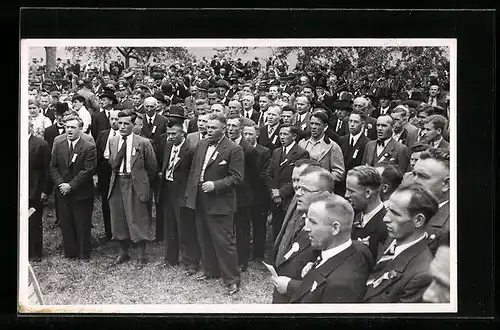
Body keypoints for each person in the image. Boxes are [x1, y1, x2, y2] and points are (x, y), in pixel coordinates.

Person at [184, 113, 244, 295]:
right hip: (200, 199)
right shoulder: (202, 144)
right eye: (207, 127)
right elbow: (195, 171)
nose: (208, 130)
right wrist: (190, 195)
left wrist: (215, 185)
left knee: (224, 241)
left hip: (220, 202)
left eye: (213, 128)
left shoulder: (234, 149)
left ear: (223, 129)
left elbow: (237, 178)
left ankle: (232, 279)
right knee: (204, 237)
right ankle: (211, 271)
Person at [274, 194, 371, 303]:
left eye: (313, 222)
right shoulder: (351, 249)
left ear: (335, 228)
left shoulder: (340, 286)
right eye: (307, 220)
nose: (307, 228)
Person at [364, 182, 438, 303]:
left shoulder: (422, 276)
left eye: (396, 213)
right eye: (388, 210)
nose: (385, 218)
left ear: (418, 220)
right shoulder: (393, 239)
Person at [271, 164, 330, 303]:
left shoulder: (328, 230)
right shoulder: (303, 214)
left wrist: (291, 286)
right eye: (297, 188)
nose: (297, 193)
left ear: (324, 194)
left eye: (305, 190)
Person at [107, 109, 158, 269]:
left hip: (134, 182)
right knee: (118, 217)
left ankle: (141, 255)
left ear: (133, 125)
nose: (121, 126)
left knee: (137, 217)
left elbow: (152, 167)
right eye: (119, 123)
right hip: (118, 181)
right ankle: (124, 252)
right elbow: (112, 162)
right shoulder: (113, 141)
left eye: (126, 124)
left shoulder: (143, 143)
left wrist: (142, 182)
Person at [49, 114, 97, 260]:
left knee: (82, 223)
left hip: (81, 191)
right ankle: (70, 252)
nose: (69, 130)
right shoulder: (59, 143)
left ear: (80, 129)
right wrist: (61, 184)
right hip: (63, 191)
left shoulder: (88, 146)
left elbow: (88, 170)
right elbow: (53, 166)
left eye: (72, 127)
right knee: (66, 223)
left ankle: (84, 253)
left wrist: (71, 185)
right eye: (66, 127)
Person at [157, 121, 199, 274]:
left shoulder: (190, 150)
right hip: (168, 189)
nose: (170, 137)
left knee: (185, 228)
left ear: (183, 133)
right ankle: (170, 259)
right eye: (168, 134)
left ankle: (191, 263)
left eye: (174, 134)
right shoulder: (168, 146)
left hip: (182, 192)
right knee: (170, 226)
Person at [226, 115, 259, 272]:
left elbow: (253, 177)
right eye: (228, 125)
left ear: (241, 129)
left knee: (242, 230)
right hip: (226, 194)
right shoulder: (225, 145)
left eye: (234, 126)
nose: (231, 129)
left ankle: (242, 260)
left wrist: (247, 196)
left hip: (242, 196)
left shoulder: (249, 150)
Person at [269, 124, 310, 241]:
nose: (282, 137)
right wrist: (274, 192)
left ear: (294, 136)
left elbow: (299, 178)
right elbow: (269, 174)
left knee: (287, 233)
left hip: (289, 198)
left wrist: (281, 193)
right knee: (275, 230)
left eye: (285, 134)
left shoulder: (301, 153)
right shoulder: (276, 152)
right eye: (280, 134)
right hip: (275, 198)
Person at [242, 120, 272, 263]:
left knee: (259, 224)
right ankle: (244, 252)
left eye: (250, 134)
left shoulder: (264, 151)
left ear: (257, 135)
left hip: (258, 193)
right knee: (244, 224)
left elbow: (264, 173)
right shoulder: (240, 149)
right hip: (244, 193)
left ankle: (258, 254)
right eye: (245, 134)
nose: (247, 137)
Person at [410, 147, 450, 255]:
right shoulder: (409, 209)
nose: (414, 182)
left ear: (446, 184)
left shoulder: (450, 228)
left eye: (423, 176)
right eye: (414, 175)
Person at [345, 165, 388, 262]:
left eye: (351, 191)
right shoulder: (357, 216)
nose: (346, 195)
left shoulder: (384, 227)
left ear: (368, 193)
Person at [298, 110, 345, 186]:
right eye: (312, 123)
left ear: (325, 126)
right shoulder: (302, 143)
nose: (313, 127)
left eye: (317, 124)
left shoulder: (332, 146)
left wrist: (321, 179)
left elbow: (339, 173)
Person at [96, 109, 120, 241]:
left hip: (118, 171)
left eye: (117, 119)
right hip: (105, 172)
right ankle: (108, 232)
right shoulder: (103, 134)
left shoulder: (123, 135)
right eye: (112, 119)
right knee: (106, 202)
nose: (114, 122)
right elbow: (98, 154)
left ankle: (120, 232)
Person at [28, 118, 51, 261]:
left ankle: (35, 252)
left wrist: (45, 191)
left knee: (34, 221)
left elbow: (47, 170)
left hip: (34, 189)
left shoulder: (41, 145)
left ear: (30, 127)